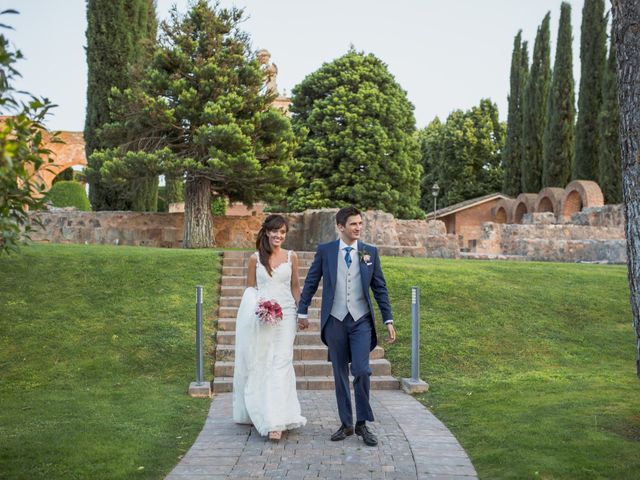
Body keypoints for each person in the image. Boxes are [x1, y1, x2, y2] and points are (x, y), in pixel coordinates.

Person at [297, 206, 396, 447]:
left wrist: (388, 319)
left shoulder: (369, 252)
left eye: (360, 223)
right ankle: (346, 423)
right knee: (340, 373)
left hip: (361, 320)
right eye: (353, 224)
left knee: (361, 370)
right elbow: (311, 281)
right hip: (335, 320)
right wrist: (302, 310)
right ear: (340, 226)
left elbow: (379, 287)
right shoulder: (326, 251)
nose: (358, 228)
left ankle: (363, 423)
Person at [233, 214, 307, 441]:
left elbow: (295, 287)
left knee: (282, 363)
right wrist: (260, 308)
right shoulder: (255, 259)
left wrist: (301, 312)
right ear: (267, 232)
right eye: (275, 231)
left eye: (283, 232)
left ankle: (278, 420)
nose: (279, 236)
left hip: (286, 317)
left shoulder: (291, 257)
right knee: (264, 362)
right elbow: (249, 290)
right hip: (263, 317)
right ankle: (266, 414)